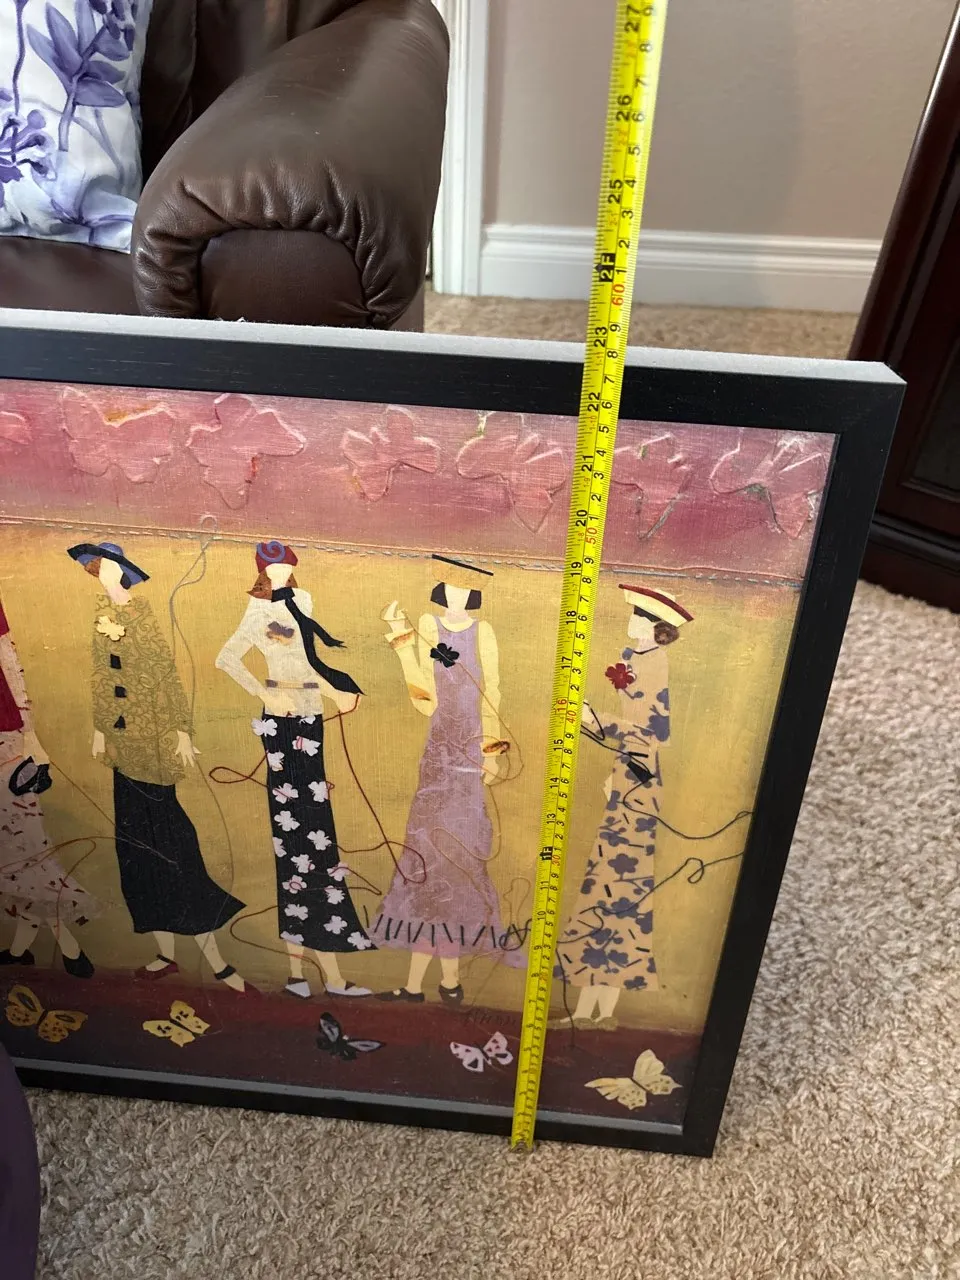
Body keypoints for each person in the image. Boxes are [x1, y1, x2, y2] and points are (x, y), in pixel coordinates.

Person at [67, 541, 251, 993]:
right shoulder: (99, 614)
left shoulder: (140, 614)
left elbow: (166, 673)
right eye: (97, 567)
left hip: (153, 745)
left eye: (108, 566)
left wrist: (183, 731)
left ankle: (217, 961)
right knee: (136, 852)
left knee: (175, 847)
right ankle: (166, 954)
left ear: (123, 571)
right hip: (122, 748)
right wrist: (100, 730)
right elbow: (100, 674)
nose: (101, 573)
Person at [215, 542, 374, 1000]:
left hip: (309, 716)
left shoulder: (302, 601)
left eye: (286, 566)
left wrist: (335, 693)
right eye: (273, 568)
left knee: (317, 836)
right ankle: (309, 974)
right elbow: (226, 658)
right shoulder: (257, 608)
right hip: (281, 723)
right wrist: (264, 693)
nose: (281, 574)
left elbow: (306, 661)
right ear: (262, 572)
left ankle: (313, 974)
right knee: (295, 842)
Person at [372, 553, 519, 1005]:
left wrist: (491, 752)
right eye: (449, 586)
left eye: (465, 588)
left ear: (474, 592)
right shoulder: (428, 625)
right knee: (425, 860)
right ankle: (420, 986)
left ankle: (448, 981)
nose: (456, 595)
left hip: (470, 753)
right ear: (440, 589)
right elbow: (425, 699)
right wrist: (401, 640)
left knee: (459, 860)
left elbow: (492, 689)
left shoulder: (483, 631)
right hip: (438, 755)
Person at [552, 584, 693, 1030]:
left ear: (655, 627)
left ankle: (600, 1011)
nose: (630, 621)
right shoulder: (635, 659)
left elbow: (653, 733)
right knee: (607, 884)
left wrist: (595, 719)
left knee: (619, 886)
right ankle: (589, 1010)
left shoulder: (654, 664)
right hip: (629, 772)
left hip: (639, 777)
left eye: (637, 616)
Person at [0, 593, 97, 976]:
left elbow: (11, 666)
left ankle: (69, 949)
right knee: (13, 855)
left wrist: (31, 737)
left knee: (24, 851)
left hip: (6, 741)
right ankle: (24, 949)